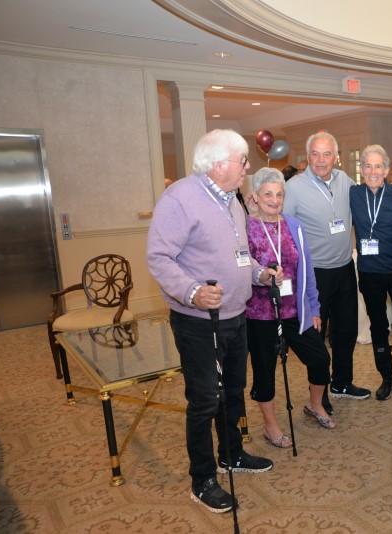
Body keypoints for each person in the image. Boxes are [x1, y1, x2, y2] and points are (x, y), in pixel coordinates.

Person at [147, 129, 273, 514]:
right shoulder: (180, 198)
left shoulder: (232, 199)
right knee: (205, 400)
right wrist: (192, 292)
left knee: (233, 390)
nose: (247, 167)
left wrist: (258, 273)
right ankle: (201, 479)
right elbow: (159, 258)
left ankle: (231, 454)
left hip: (236, 315)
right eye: (242, 161)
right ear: (218, 165)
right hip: (199, 322)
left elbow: (237, 252)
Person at [244, 168, 335, 450]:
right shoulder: (246, 227)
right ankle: (270, 425)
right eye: (268, 194)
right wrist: (262, 275)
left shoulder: (294, 225)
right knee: (265, 371)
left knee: (319, 359)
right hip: (259, 314)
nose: (274, 200)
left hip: (296, 311)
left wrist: (314, 307)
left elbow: (307, 269)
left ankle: (315, 404)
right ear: (255, 196)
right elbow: (242, 267)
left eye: (279, 194)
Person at [283, 132, 371, 405]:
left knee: (346, 331)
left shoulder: (345, 180)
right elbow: (284, 231)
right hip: (315, 273)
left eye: (326, 154)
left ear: (336, 157)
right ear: (308, 157)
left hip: (344, 268)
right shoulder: (294, 187)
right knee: (315, 338)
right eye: (315, 154)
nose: (321, 160)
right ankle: (318, 396)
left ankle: (342, 383)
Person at [349, 145, 392, 400]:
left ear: (387, 170)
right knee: (378, 327)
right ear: (361, 169)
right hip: (369, 273)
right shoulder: (354, 194)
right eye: (368, 166)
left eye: (378, 166)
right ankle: (386, 377)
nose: (373, 171)